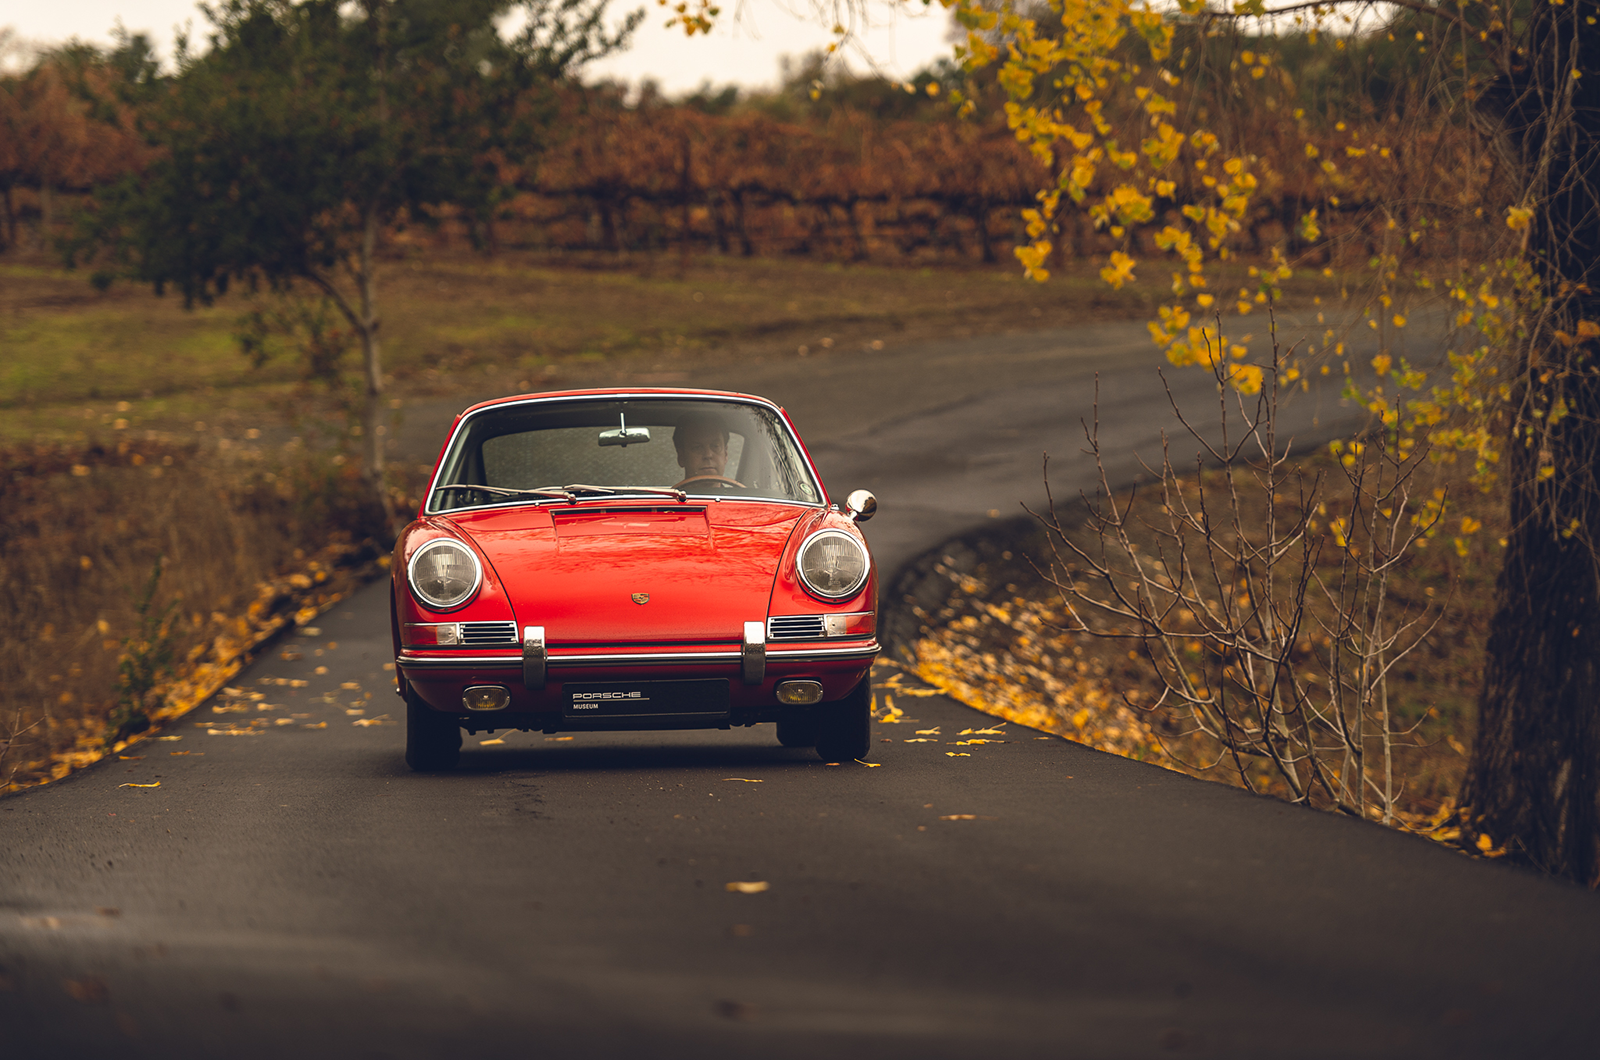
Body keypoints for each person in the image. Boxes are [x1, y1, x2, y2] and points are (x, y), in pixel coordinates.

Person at [673, 416, 740, 487]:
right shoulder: (667, 495)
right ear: (681, 457)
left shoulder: (742, 494)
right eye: (697, 447)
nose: (708, 455)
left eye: (715, 446)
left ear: (725, 454)